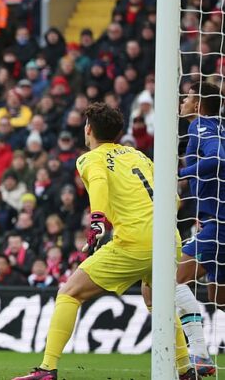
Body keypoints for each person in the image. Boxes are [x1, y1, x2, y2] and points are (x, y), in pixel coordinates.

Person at [14, 103, 196, 380]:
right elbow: (174, 197)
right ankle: (184, 369)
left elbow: (98, 182)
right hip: (168, 237)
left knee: (69, 293)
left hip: (135, 241)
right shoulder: (138, 155)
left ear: (88, 129)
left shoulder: (90, 158)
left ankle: (46, 368)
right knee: (157, 300)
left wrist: (97, 219)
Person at [175, 81, 223, 376]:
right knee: (220, 299)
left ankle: (200, 354)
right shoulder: (217, 125)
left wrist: (181, 173)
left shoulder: (201, 126)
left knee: (170, 280)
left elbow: (217, 158)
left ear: (198, 104)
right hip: (215, 221)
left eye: (188, 97)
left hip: (219, 226)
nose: (182, 101)